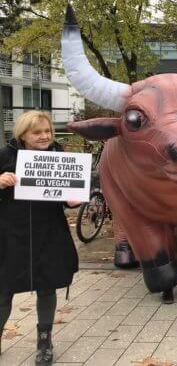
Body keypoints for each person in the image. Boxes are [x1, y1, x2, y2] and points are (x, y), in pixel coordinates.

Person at [0, 111, 79, 365]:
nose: (44, 136)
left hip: (49, 233)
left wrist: (76, 192)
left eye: (48, 131)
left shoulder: (60, 157)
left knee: (47, 285)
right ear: (23, 134)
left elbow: (71, 200)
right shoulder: (4, 156)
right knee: (4, 290)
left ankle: (44, 341)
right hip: (10, 236)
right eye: (37, 132)